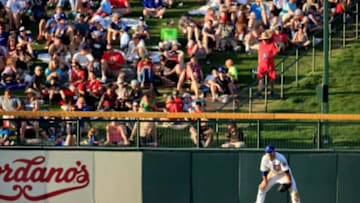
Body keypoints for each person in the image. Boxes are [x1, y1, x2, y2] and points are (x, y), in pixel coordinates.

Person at [256, 31, 279, 98]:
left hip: (270, 65)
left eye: (266, 39)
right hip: (262, 65)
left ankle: (272, 92)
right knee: (261, 79)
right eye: (264, 39)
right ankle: (259, 92)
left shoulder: (272, 45)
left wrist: (269, 56)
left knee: (271, 79)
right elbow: (259, 55)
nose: (265, 40)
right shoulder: (260, 45)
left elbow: (275, 53)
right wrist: (258, 64)